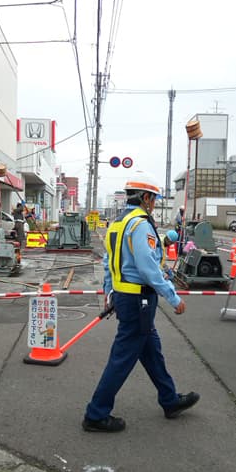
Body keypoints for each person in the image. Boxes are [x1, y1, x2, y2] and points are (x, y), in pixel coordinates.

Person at [82, 171, 199, 433]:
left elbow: (109, 263)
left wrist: (110, 293)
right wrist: (172, 296)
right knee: (122, 358)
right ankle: (96, 414)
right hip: (139, 299)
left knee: (151, 350)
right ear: (145, 198)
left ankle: (169, 400)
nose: (154, 204)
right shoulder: (141, 224)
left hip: (126, 297)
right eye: (154, 199)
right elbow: (147, 268)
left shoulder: (118, 224)